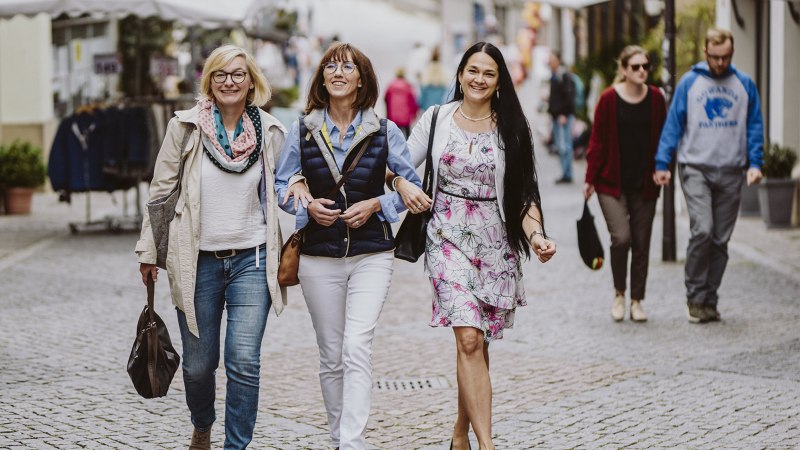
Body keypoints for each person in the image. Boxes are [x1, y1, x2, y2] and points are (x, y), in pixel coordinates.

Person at [391, 42, 556, 450]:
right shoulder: (436, 119)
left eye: (489, 73)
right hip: (446, 236)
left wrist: (535, 236)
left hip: (495, 242)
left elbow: (524, 195)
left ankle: (460, 433)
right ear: (460, 73)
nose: (479, 80)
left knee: (478, 342)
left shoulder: (513, 128)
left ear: (499, 81)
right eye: (472, 71)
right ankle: (488, 445)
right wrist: (402, 184)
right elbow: (400, 166)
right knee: (467, 337)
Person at [135, 45, 287, 450]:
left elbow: (286, 187)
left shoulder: (271, 132)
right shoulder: (184, 128)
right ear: (209, 81)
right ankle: (202, 424)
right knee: (200, 366)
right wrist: (149, 250)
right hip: (197, 260)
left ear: (251, 81)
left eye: (238, 74)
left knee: (243, 362)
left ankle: (235, 446)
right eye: (220, 75)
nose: (229, 82)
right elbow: (161, 192)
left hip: (252, 260)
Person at [274, 42, 422, 450]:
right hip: (318, 258)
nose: (338, 72)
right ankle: (338, 435)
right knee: (331, 355)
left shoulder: (386, 130)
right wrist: (306, 202)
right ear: (322, 79)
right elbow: (282, 184)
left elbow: (412, 188)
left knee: (357, 346)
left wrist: (377, 203)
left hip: (372, 254)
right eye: (330, 67)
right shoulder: (301, 129)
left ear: (362, 79)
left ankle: (353, 443)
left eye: (347, 67)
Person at [654, 28, 764, 323]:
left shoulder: (744, 84)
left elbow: (754, 125)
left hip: (732, 170)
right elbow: (673, 125)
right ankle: (694, 296)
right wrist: (662, 164)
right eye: (715, 57)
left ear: (732, 53)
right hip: (695, 168)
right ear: (706, 53)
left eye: (726, 57)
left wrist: (756, 163)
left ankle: (709, 299)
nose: (720, 63)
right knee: (702, 229)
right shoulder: (691, 82)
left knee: (720, 239)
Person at [583, 45, 667, 323]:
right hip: (611, 181)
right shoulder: (608, 99)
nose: (642, 71)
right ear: (624, 70)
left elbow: (665, 140)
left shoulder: (656, 98)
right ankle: (619, 293)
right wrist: (590, 179)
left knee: (642, 243)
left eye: (646, 66)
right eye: (635, 67)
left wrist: (662, 168)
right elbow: (597, 141)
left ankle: (636, 301)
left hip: (645, 183)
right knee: (622, 238)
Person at [548, 50, 576, 183]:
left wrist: (563, 113)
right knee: (560, 146)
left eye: (553, 59)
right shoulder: (554, 76)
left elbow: (568, 96)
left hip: (562, 117)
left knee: (565, 146)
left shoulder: (563, 75)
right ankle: (565, 173)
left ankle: (567, 174)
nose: (550, 62)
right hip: (556, 116)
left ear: (558, 60)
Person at [384, 67, 419, 137]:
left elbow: (386, 99)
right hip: (405, 117)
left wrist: (388, 114)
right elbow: (413, 101)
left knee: (394, 136)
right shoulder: (408, 86)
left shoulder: (391, 86)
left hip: (393, 117)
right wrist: (414, 113)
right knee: (408, 136)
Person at [418, 46, 451, 111]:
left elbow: (422, 94)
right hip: (439, 107)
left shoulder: (427, 71)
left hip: (427, 107)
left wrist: (420, 104)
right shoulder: (442, 71)